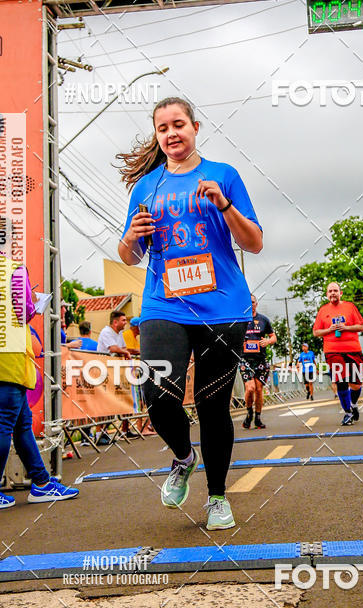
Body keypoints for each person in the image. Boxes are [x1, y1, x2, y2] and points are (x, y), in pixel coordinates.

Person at [117, 96, 263, 531]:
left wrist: (224, 205)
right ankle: (183, 457)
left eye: (178, 124)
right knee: (157, 394)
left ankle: (217, 497)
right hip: (164, 303)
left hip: (222, 306)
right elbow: (128, 255)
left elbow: (253, 243)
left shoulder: (223, 175)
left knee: (212, 405)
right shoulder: (146, 188)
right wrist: (131, 236)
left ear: (195, 127)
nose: (171, 133)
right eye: (163, 128)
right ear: (157, 136)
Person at [0, 218, 79, 511]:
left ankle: (41, 483)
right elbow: (24, 314)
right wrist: (36, 302)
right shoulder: (14, 270)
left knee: (21, 424)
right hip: (11, 358)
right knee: (3, 425)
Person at [312, 282, 363, 425]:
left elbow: (362, 326)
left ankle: (353, 404)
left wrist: (346, 327)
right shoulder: (323, 311)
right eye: (330, 291)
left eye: (335, 290)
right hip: (333, 351)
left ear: (340, 293)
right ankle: (347, 413)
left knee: (356, 384)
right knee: (341, 381)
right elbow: (316, 332)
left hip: (353, 349)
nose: (333, 293)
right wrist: (329, 330)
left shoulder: (350, 307)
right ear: (326, 294)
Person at [240, 295, 277, 428]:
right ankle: (249, 412)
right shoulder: (240, 319)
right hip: (245, 359)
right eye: (248, 303)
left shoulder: (263, 320)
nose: (251, 305)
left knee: (259, 389)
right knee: (250, 388)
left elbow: (273, 337)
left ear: (257, 304)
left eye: (253, 302)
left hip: (260, 359)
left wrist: (267, 341)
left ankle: (258, 418)